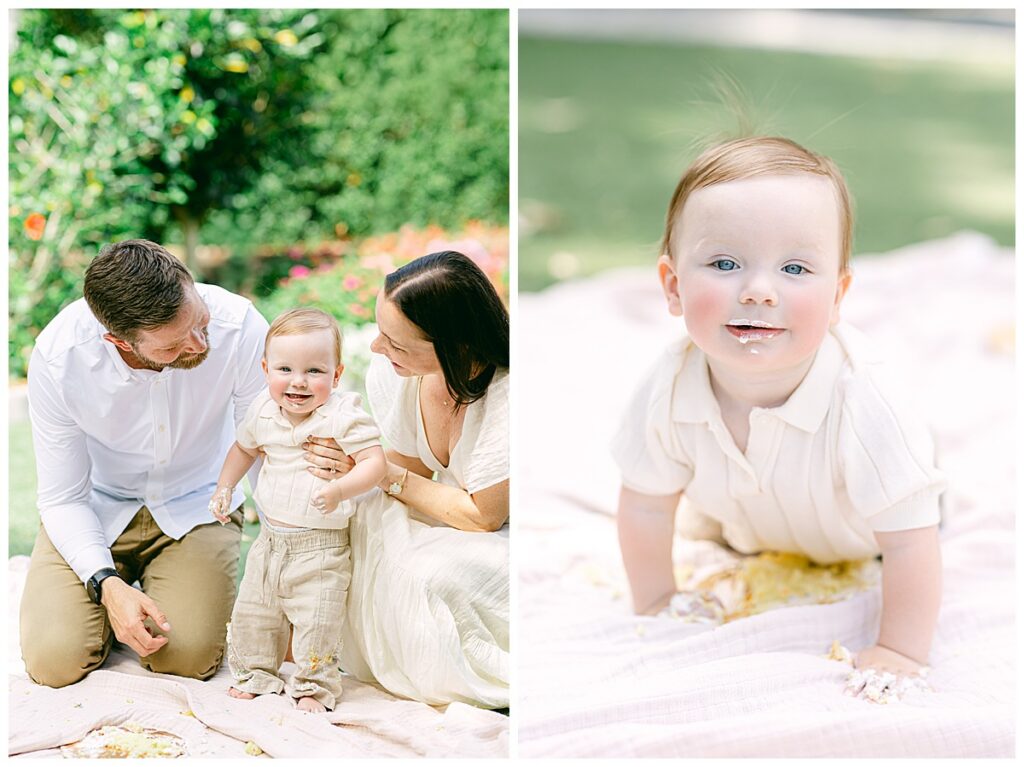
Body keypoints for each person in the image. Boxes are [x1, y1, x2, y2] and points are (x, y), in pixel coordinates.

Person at [613, 137, 944, 683]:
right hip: (748, 519)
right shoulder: (668, 386)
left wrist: (900, 651)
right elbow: (645, 506)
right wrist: (656, 600)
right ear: (673, 286)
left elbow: (910, 541)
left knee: (917, 495)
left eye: (794, 268)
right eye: (724, 263)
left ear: (838, 296)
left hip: (862, 537)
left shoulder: (865, 401)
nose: (760, 290)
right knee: (695, 504)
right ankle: (730, 516)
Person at [20, 239, 268, 687]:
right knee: (53, 662)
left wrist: (283, 552)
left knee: (187, 657)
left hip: (197, 505)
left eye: (200, 322)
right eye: (173, 346)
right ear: (118, 341)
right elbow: (62, 497)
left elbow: (264, 451)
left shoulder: (242, 327)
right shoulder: (60, 358)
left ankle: (155, 597)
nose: (198, 343)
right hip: (95, 509)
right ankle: (112, 604)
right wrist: (106, 585)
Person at [302, 250, 510, 708]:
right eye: (380, 333)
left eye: (395, 343)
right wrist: (354, 466)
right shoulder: (401, 375)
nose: (378, 349)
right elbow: (406, 474)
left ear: (454, 345)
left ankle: (433, 659)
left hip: (509, 534)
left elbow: (484, 517)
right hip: (455, 512)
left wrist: (378, 471)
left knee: (431, 577)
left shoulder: (508, 393)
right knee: (352, 521)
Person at [208, 308, 386, 712]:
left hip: (321, 548)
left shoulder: (342, 415)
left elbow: (375, 463)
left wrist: (340, 488)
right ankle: (256, 672)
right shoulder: (263, 410)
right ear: (266, 369)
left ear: (336, 375)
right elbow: (243, 449)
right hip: (270, 541)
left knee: (318, 621)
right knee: (255, 611)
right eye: (285, 369)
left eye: (315, 371)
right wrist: (224, 487)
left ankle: (313, 685)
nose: (298, 382)